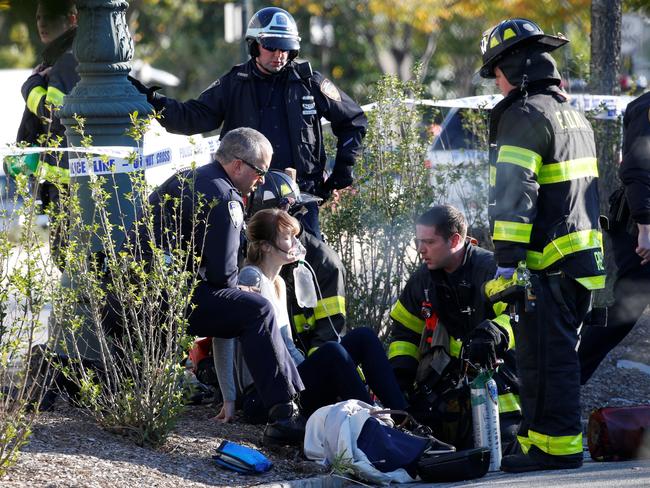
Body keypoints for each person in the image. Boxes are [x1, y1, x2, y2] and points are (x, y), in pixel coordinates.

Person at [479, 19, 605, 472]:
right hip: (579, 259)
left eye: (496, 71)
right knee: (543, 358)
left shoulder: (525, 114)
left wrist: (506, 263)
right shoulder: (569, 113)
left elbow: (516, 192)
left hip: (547, 263)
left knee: (548, 363)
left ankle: (558, 450)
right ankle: (539, 444)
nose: (496, 82)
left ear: (514, 66)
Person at [129, 6, 368, 240]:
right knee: (241, 268)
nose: (279, 55)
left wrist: (339, 177)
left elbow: (354, 120)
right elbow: (192, 117)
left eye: (285, 48)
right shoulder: (234, 82)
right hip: (246, 200)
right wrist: (152, 101)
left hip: (300, 200)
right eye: (271, 47)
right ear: (254, 45)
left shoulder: (309, 83)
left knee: (317, 266)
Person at [134, 127, 306, 446]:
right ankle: (284, 414)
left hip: (139, 294)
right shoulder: (225, 197)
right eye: (260, 171)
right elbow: (223, 276)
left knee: (246, 306)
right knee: (257, 309)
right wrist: (240, 291)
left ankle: (293, 401)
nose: (263, 180)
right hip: (167, 299)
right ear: (238, 165)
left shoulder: (186, 177)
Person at [213, 209, 422, 437]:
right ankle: (375, 429)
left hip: (288, 385)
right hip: (262, 398)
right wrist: (229, 398)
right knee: (331, 351)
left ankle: (406, 420)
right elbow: (223, 337)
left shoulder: (279, 283)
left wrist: (315, 371)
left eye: (295, 236)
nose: (295, 242)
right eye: (287, 237)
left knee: (363, 337)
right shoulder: (251, 278)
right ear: (265, 246)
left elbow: (288, 349)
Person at [387, 205, 521, 452]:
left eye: (429, 242)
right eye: (418, 241)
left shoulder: (490, 270)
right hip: (450, 379)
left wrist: (493, 333)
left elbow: (517, 317)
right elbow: (405, 332)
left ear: (455, 240)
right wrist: (400, 377)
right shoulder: (422, 280)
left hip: (500, 373)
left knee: (501, 446)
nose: (420, 250)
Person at [579, 90, 650, 384]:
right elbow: (637, 169)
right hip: (640, 231)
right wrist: (646, 229)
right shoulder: (646, 108)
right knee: (621, 314)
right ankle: (566, 378)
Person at [248, 170, 346, 354]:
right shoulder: (257, 264)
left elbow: (329, 335)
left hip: (313, 363)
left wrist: (310, 375)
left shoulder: (323, 262)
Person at [11, 0, 79, 264]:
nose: (42, 23)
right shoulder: (56, 59)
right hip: (60, 178)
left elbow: (51, 113)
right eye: (39, 17)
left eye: (50, 17)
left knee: (66, 257)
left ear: (72, 19)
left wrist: (30, 86)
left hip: (66, 179)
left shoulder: (67, 60)